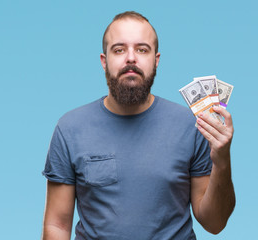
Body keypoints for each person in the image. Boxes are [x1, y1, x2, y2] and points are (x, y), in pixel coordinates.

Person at [41, 11, 235, 240]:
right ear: (104, 61)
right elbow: (57, 225)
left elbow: (214, 223)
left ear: (156, 60)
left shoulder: (193, 125)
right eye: (119, 49)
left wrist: (222, 159)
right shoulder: (70, 129)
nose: (131, 58)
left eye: (142, 49)